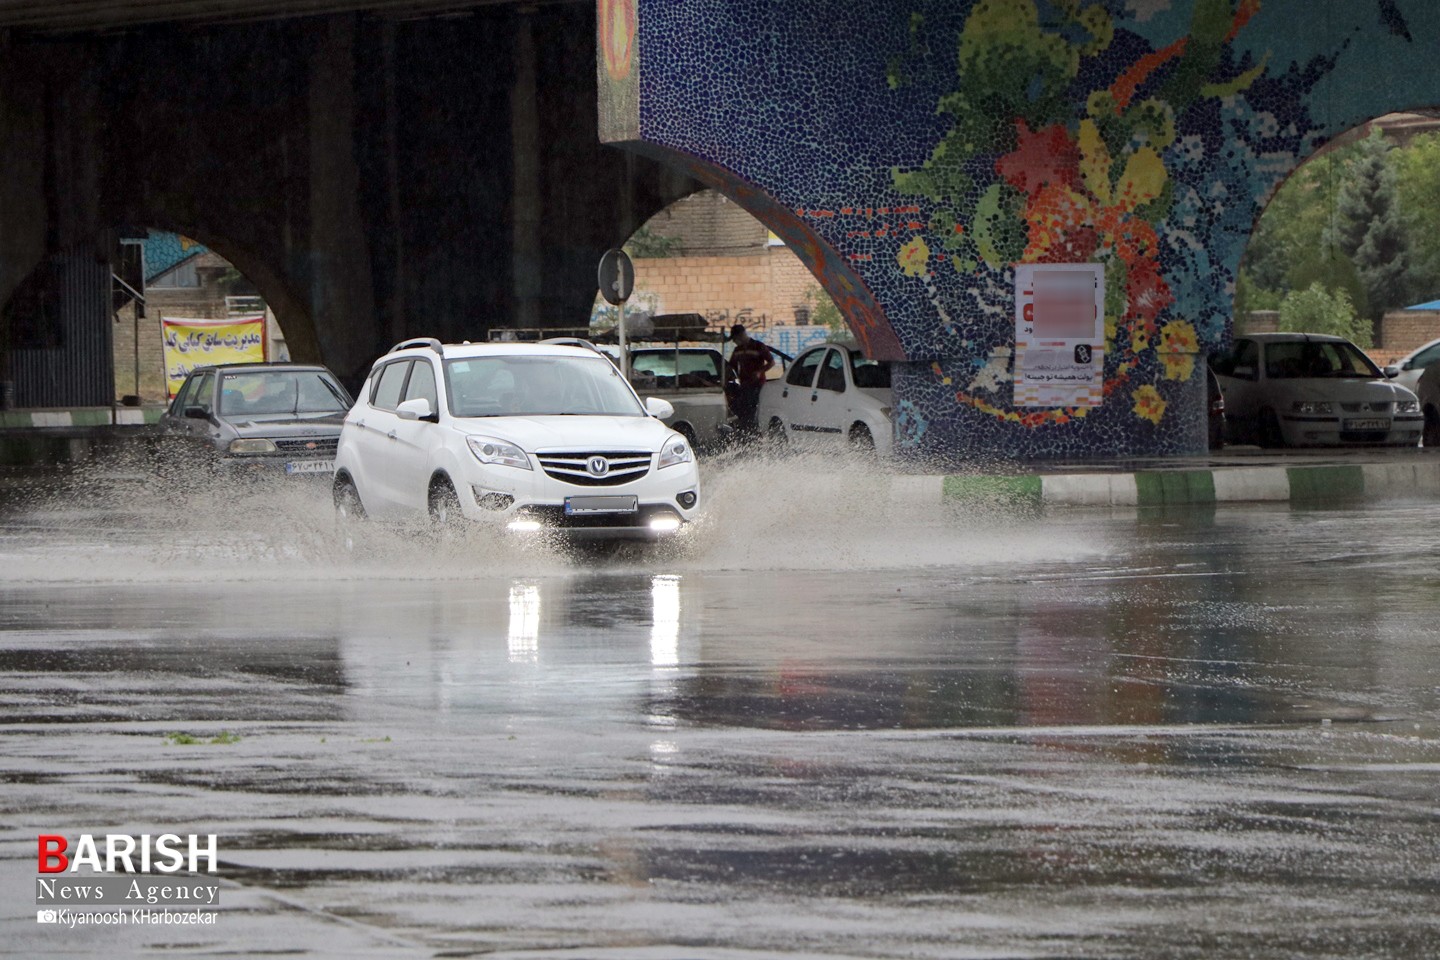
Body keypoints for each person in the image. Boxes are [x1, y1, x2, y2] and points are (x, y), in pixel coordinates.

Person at [726, 323, 774, 440]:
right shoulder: (737, 350)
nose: (734, 342)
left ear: (742, 335)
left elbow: (771, 362)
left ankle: (757, 435)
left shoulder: (758, 346)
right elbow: (731, 367)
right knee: (744, 410)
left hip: (758, 385)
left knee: (754, 410)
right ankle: (748, 434)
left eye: (735, 339)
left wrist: (759, 372)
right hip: (744, 385)